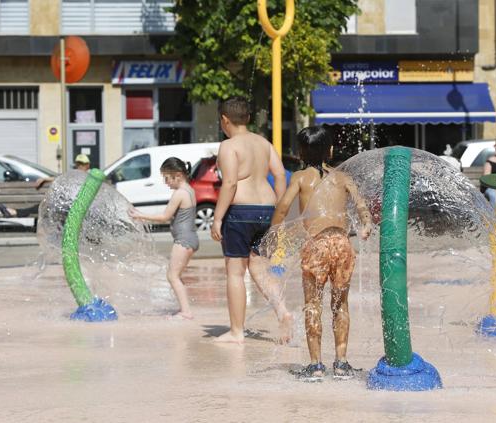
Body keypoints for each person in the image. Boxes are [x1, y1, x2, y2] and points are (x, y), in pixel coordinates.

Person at [271, 126, 372, 381]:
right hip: (341, 243)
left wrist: (274, 237)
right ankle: (341, 363)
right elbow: (361, 206)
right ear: (330, 150)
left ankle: (316, 365)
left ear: (300, 152)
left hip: (315, 245)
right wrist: (366, 225)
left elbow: (283, 209)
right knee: (340, 304)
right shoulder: (342, 177)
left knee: (313, 304)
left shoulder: (300, 178)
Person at [211, 96, 293, 344]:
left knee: (235, 272)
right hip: (267, 210)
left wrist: (217, 218)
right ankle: (282, 311)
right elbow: (280, 175)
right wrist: (279, 210)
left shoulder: (229, 146)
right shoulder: (264, 143)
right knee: (258, 267)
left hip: (240, 213)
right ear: (247, 118)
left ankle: (237, 331)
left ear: (225, 120)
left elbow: (231, 183)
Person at [129, 157, 198, 320]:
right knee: (177, 275)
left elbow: (165, 216)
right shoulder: (190, 190)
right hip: (190, 238)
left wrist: (140, 215)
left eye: (167, 178)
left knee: (172, 276)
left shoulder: (180, 193)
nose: (166, 182)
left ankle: (186, 312)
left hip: (183, 240)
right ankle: (183, 307)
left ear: (178, 175)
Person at [0, 154, 92, 218]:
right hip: (68, 206)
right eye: (77, 164)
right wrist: (46, 179)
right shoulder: (74, 175)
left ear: (87, 165)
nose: (79, 166)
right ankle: (14, 212)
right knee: (46, 205)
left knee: (48, 205)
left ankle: (14, 212)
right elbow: (61, 178)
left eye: (82, 164)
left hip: (79, 208)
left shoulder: (90, 176)